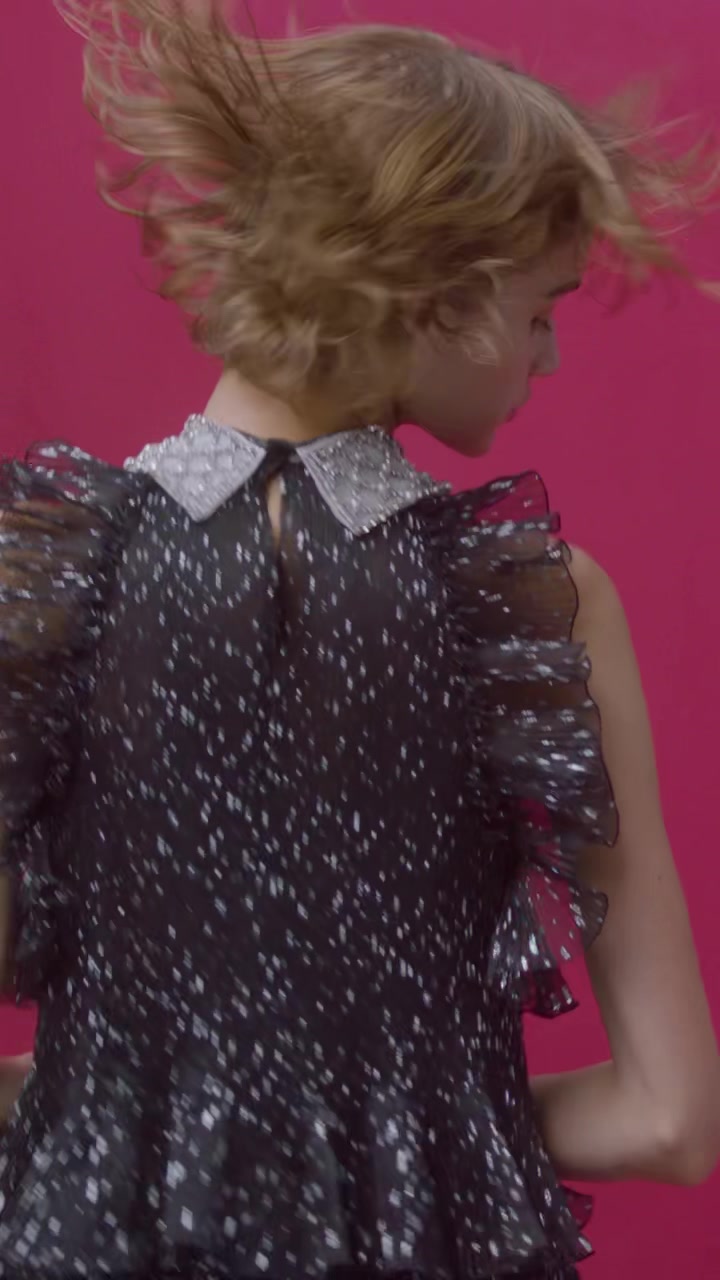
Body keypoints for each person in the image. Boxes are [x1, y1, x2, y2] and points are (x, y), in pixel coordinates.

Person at [0, 1, 718, 1276]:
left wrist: (126, 1110)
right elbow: (670, 1119)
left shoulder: (40, 575)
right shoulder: (535, 599)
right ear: (441, 293)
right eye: (541, 309)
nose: (551, 355)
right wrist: (415, 1131)